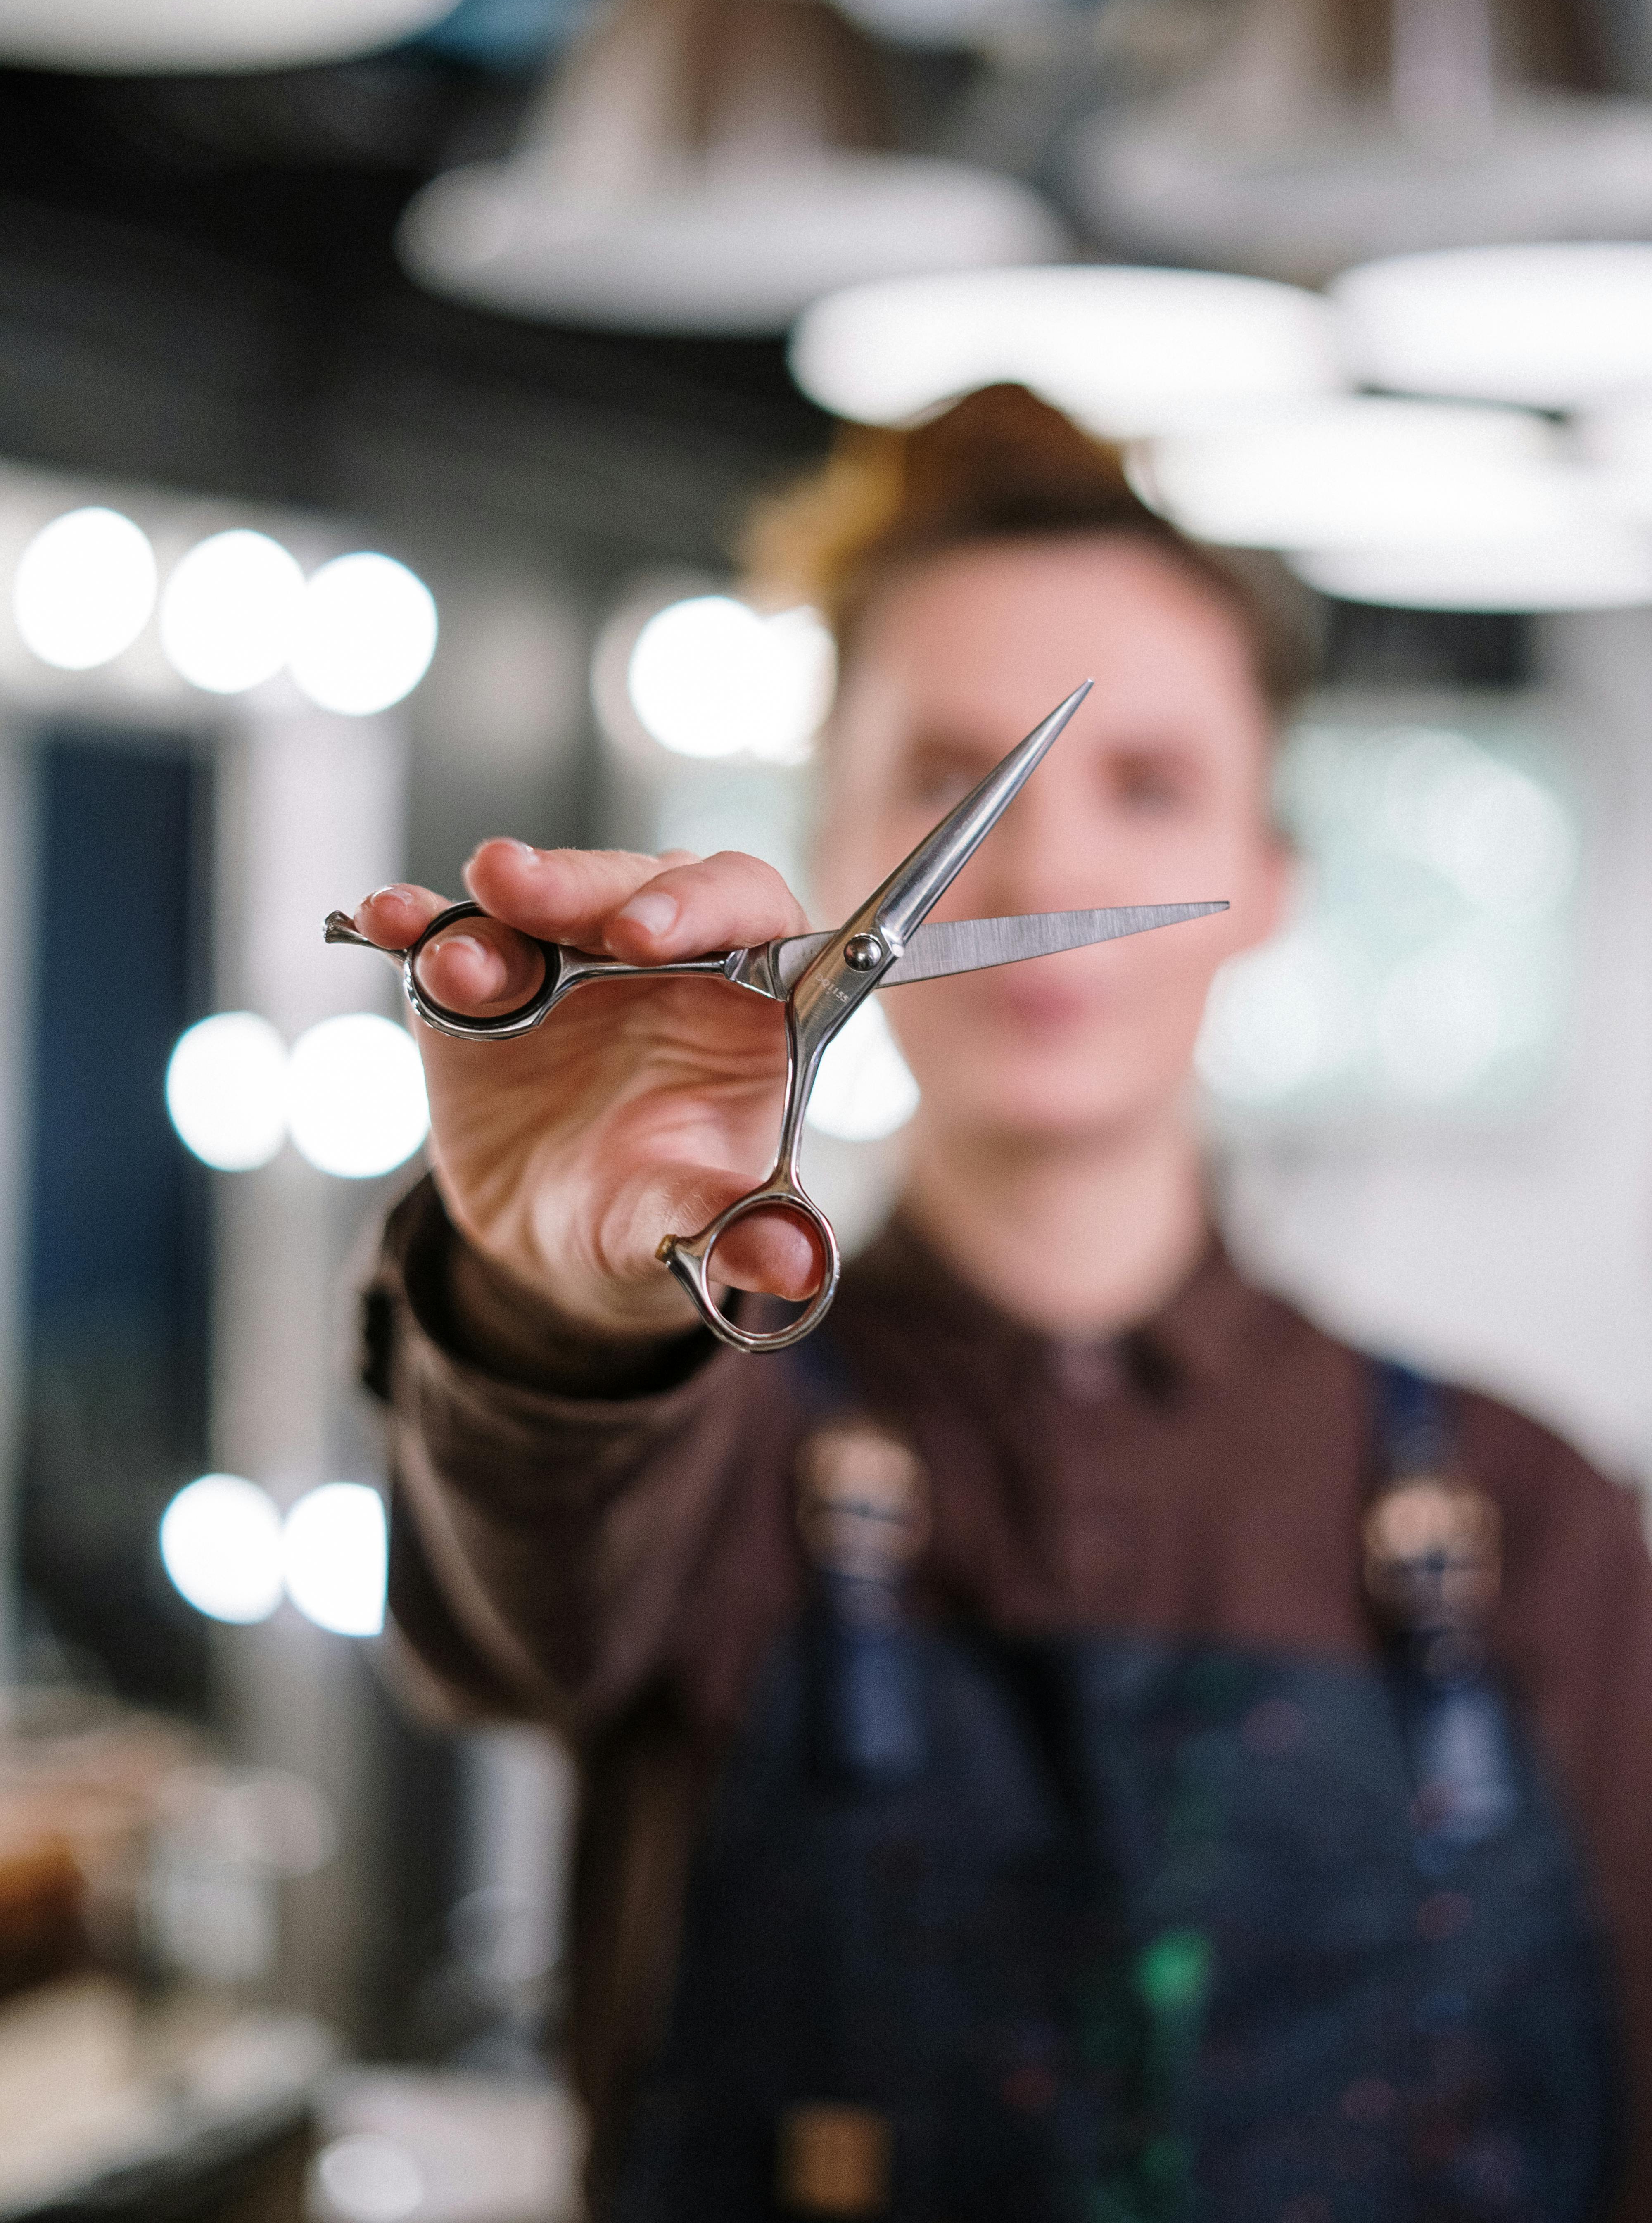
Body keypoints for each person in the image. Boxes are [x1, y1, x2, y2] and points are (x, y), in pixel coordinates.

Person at [354, 387, 1652, 2223]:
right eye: (956, 786)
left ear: (1270, 881)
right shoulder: (694, 1447)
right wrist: (563, 1303)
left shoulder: (1539, 1520)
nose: (1044, 868)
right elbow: (507, 1620)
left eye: (1147, 787)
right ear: (836, 841)